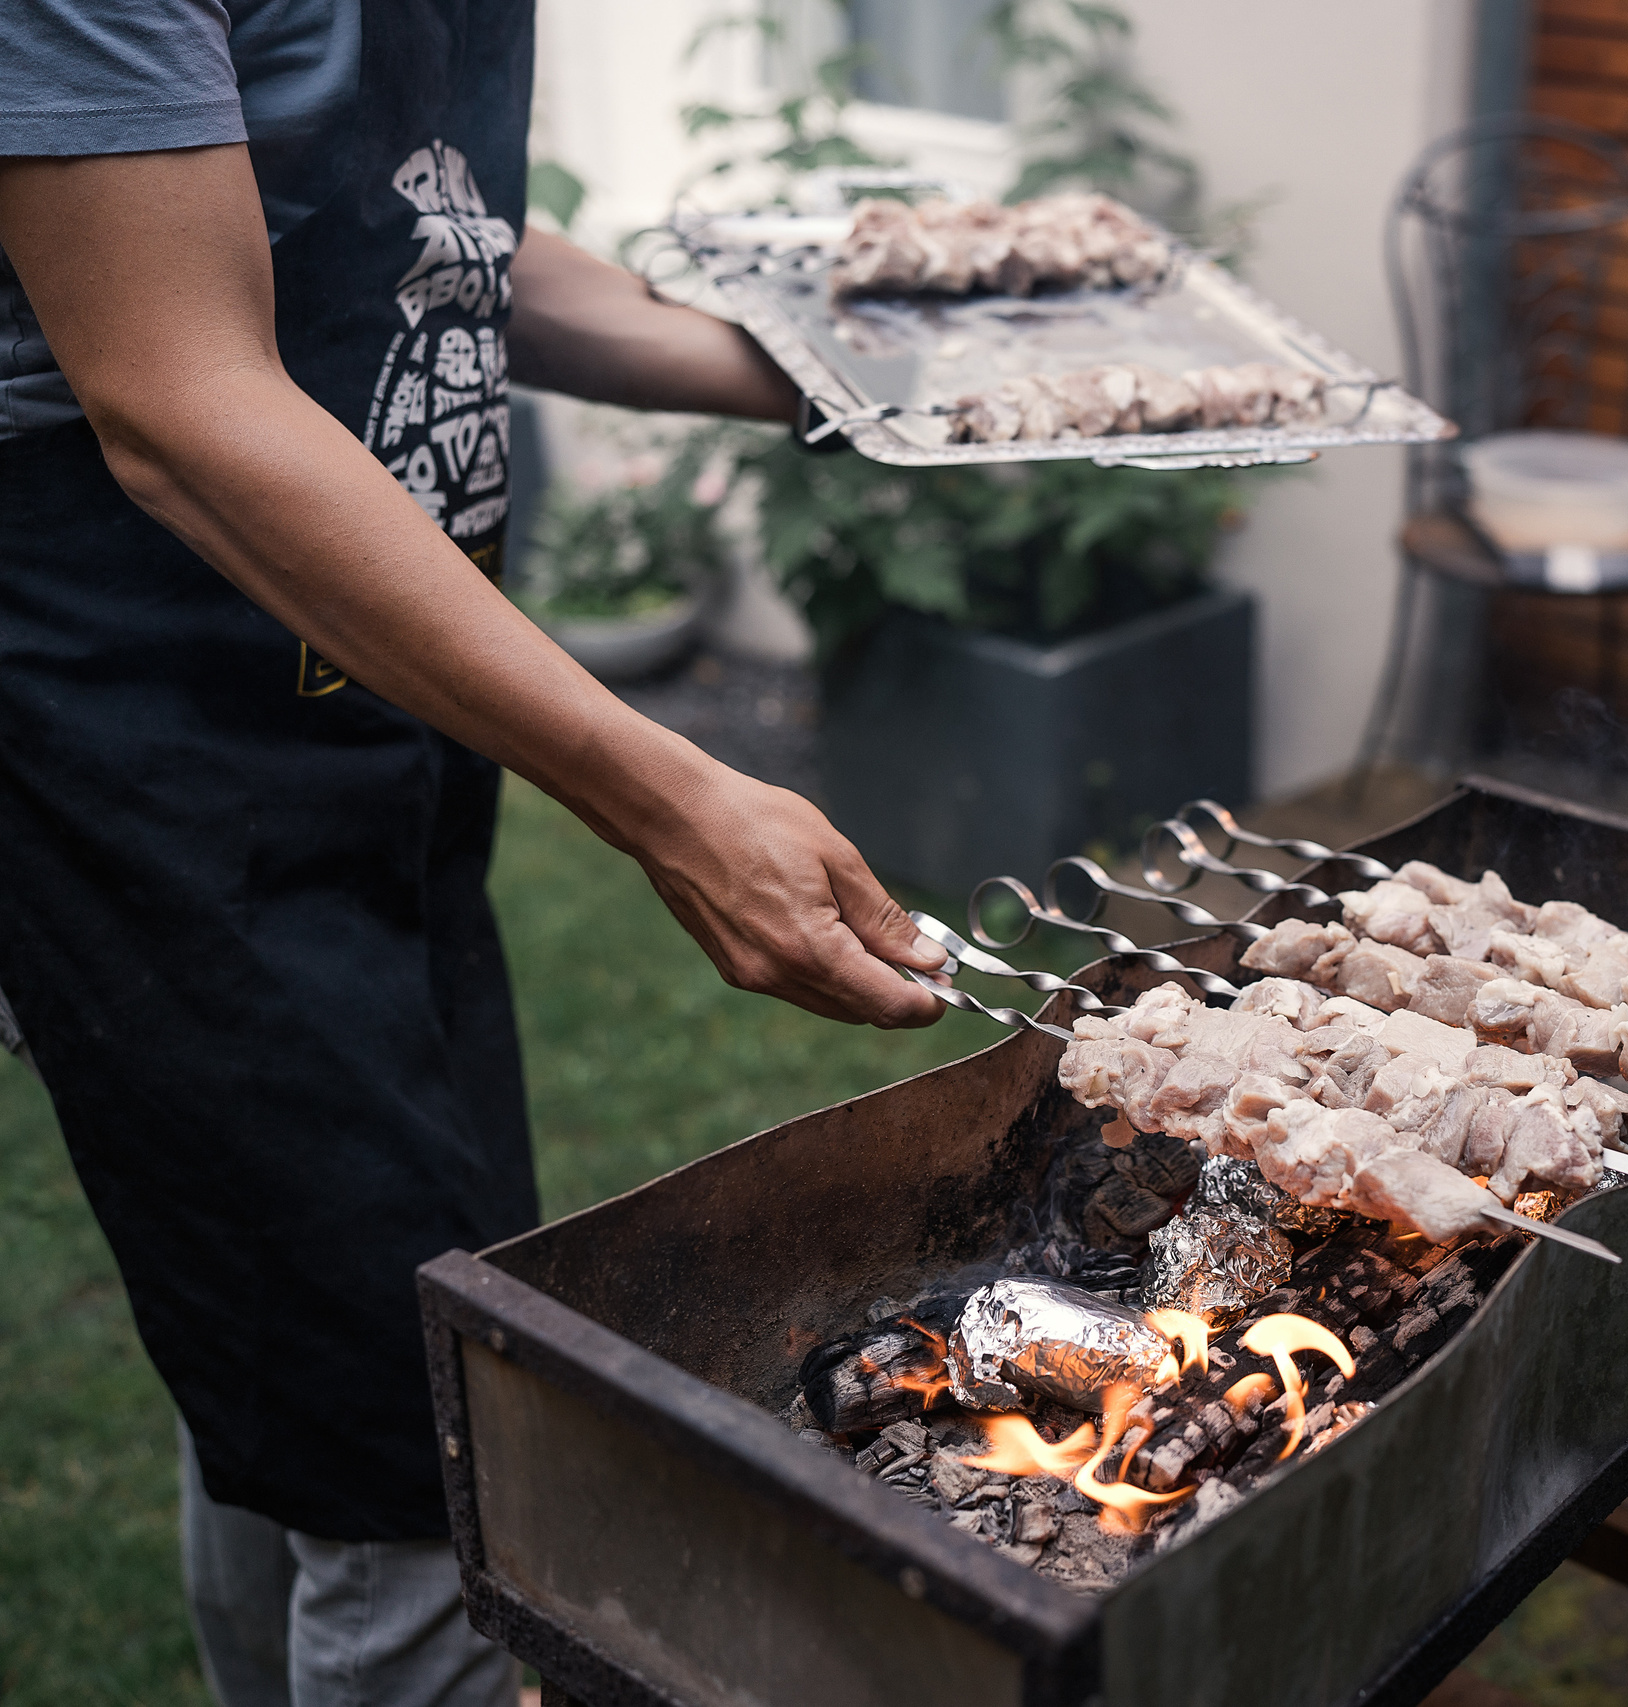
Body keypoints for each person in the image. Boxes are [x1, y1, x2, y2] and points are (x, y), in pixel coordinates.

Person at [0, 3, 946, 1704]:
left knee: (350, 1323)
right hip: (143, 725)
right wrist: (675, 800)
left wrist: (852, 380)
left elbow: (436, 232)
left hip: (375, 707)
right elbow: (176, 395)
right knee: (418, 1446)